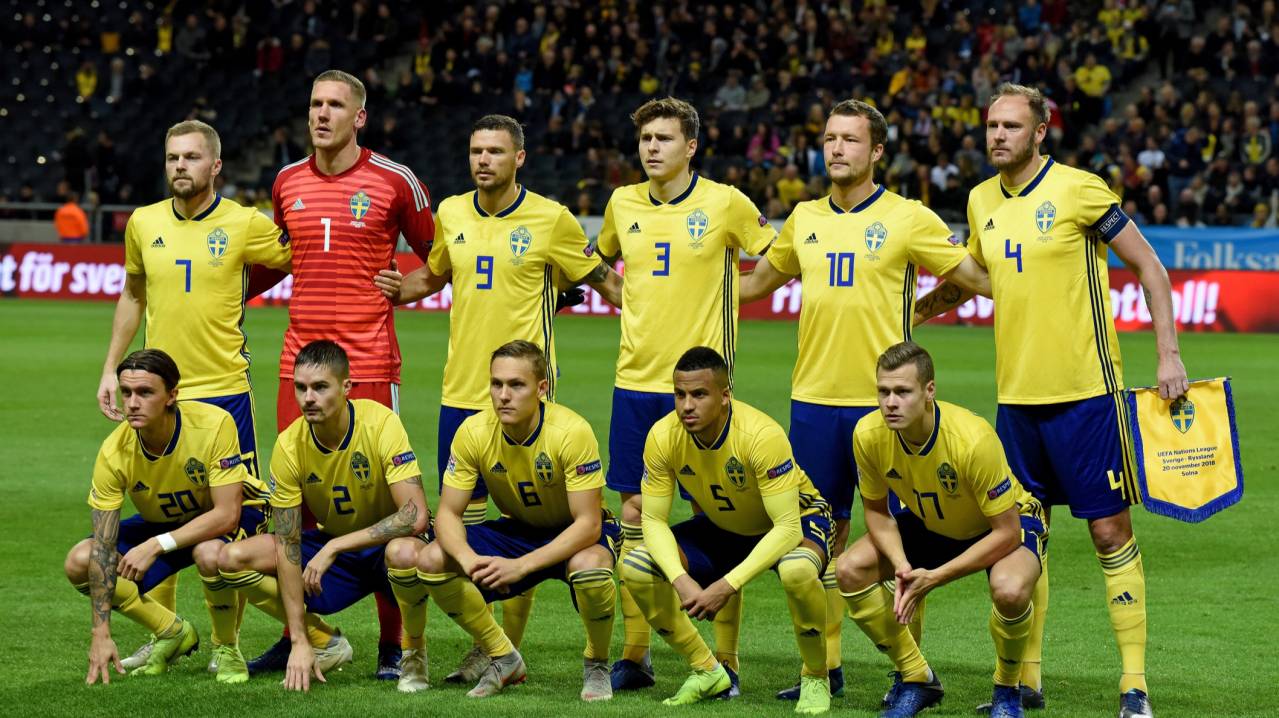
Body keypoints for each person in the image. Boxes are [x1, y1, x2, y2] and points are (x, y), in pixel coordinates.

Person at [915, 83, 1189, 718]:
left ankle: (1133, 687)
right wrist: (912, 314)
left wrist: (1168, 353)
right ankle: (1024, 682)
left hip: (1088, 398)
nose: (998, 136)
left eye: (1012, 126)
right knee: (1019, 544)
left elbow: (1150, 266)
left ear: (1040, 132)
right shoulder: (982, 198)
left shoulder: (1080, 189)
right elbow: (977, 281)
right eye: (991, 126)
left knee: (1108, 530)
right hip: (1017, 406)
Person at [739, 99, 990, 700]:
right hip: (814, 400)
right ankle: (825, 669)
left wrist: (924, 309)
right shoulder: (803, 218)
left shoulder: (908, 218)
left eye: (850, 140)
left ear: (876, 151)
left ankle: (909, 672)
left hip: (888, 406)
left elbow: (978, 279)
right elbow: (753, 285)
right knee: (818, 539)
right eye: (829, 138)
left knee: (899, 537)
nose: (836, 149)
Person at [373, 113, 622, 683]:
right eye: (475, 150)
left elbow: (604, 280)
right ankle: (488, 645)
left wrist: (652, 317)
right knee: (463, 524)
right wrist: (396, 289)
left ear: (519, 159)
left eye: (494, 151)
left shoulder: (551, 219)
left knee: (528, 518)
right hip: (462, 393)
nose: (483, 159)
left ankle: (504, 648)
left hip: (526, 399)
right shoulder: (453, 212)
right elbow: (431, 278)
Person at [253, 68, 436, 679]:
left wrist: (408, 287)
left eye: (335, 105)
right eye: (314, 104)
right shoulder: (286, 181)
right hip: (296, 365)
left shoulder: (394, 180)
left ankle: (394, 644)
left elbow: (441, 256)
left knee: (383, 501)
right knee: (291, 508)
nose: (321, 114)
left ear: (360, 116)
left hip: (369, 364)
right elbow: (282, 257)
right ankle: (301, 634)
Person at [95, 119, 291, 673]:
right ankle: (167, 635)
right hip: (161, 392)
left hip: (225, 394)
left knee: (229, 530)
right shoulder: (143, 222)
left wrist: (241, 290)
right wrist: (112, 366)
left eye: (191, 158)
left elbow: (296, 260)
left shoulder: (245, 224)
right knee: (159, 511)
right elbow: (134, 293)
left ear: (216, 167)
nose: (180, 166)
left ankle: (247, 642)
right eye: (173, 158)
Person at [596, 97, 776, 693]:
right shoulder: (622, 203)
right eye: (645, 137)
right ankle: (637, 653)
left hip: (699, 387)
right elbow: (597, 266)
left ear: (691, 146)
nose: (651, 148)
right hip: (634, 383)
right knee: (631, 518)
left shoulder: (725, 202)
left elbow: (777, 259)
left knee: (714, 517)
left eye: (664, 138)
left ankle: (726, 659)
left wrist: (733, 293)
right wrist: (630, 301)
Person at [391, 340, 619, 700]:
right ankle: (503, 655)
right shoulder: (474, 431)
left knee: (590, 566)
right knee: (432, 559)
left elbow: (588, 524)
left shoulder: (571, 431)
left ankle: (597, 664)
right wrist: (467, 559)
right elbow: (449, 513)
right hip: (516, 529)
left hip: (573, 532)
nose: (503, 395)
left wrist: (520, 566)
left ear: (541, 388)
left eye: (516, 385)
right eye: (496, 384)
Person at [619, 347, 833, 714]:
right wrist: (680, 580)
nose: (687, 405)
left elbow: (785, 528)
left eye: (699, 395)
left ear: (724, 396)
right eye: (680, 394)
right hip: (724, 525)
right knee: (636, 566)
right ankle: (708, 670)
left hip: (797, 519)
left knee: (797, 571)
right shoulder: (662, 436)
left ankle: (816, 676)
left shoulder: (760, 434)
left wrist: (725, 585)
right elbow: (652, 520)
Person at [837, 342, 1045, 718]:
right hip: (931, 522)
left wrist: (935, 576)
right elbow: (877, 512)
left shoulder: (972, 440)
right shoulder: (868, 435)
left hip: (1001, 524)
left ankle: (1007, 690)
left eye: (903, 391)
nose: (890, 403)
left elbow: (1007, 533)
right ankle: (917, 678)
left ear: (929, 391)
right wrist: (902, 565)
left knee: (1010, 591)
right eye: (883, 391)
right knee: (849, 570)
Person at [215, 340, 430, 690]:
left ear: (346, 387)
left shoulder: (381, 423)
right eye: (300, 388)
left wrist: (336, 547)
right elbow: (287, 542)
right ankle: (322, 640)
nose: (308, 398)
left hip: (387, 545)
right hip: (338, 552)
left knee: (404, 552)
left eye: (319, 387)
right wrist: (299, 640)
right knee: (232, 557)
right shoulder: (289, 445)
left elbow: (415, 515)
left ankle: (408, 650)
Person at [65, 349, 270, 683]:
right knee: (81, 560)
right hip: (164, 519)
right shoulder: (114, 452)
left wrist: (156, 545)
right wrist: (100, 633)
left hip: (227, 513)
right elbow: (103, 546)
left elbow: (226, 514)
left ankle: (226, 647)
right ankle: (171, 632)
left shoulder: (213, 424)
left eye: (145, 393)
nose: (132, 403)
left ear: (172, 395)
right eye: (127, 392)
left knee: (210, 554)